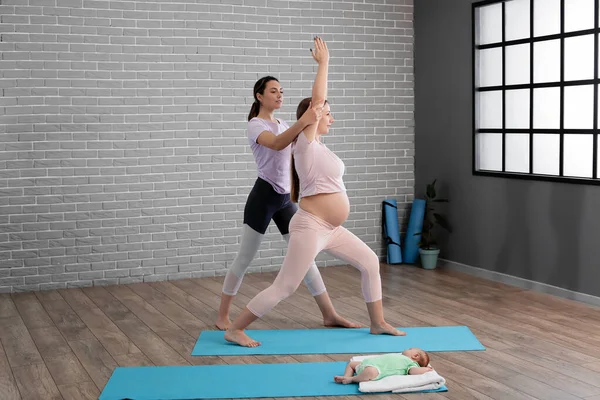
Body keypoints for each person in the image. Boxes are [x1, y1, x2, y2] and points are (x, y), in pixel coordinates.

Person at [224, 36, 403, 347]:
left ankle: (377, 322)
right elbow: (316, 103)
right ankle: (235, 328)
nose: (330, 117)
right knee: (285, 286)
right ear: (314, 117)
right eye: (327, 113)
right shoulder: (305, 143)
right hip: (310, 226)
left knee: (370, 261)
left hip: (331, 228)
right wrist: (324, 64)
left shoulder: (320, 147)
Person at [215, 73, 360, 331]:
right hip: (263, 197)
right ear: (259, 96)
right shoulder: (256, 125)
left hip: (285, 200)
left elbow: (303, 145)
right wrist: (305, 120)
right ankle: (222, 315)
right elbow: (278, 144)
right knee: (245, 258)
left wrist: (317, 119)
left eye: (281, 90)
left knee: (306, 259)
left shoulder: (283, 123)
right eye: (273, 91)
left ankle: (330, 314)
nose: (279, 94)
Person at [333, 348, 432, 384]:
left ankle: (352, 379)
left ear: (415, 356)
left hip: (376, 370)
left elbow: (413, 371)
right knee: (351, 364)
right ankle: (347, 376)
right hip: (367, 364)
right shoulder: (400, 356)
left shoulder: (411, 363)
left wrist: (425, 369)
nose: (408, 349)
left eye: (410, 349)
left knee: (370, 372)